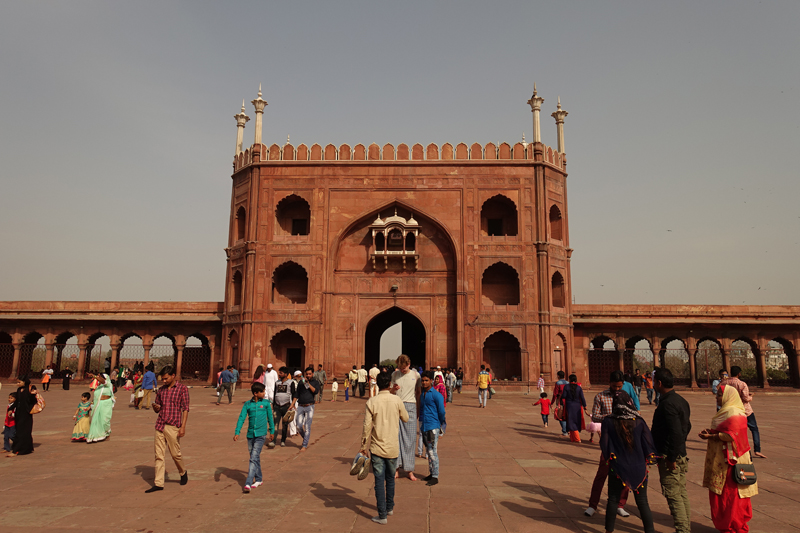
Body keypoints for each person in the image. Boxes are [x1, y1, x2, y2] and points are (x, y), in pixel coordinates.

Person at [699, 383, 758, 533]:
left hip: (732, 461)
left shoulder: (733, 411)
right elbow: (724, 429)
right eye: (717, 394)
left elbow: (733, 434)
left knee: (731, 495)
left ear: (728, 397)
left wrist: (712, 435)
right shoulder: (726, 411)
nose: (717, 397)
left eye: (719, 395)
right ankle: (727, 524)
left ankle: (734, 525)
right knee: (723, 494)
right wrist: (711, 431)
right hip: (722, 458)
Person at [600, 391, 658, 533]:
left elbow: (605, 445)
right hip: (638, 467)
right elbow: (648, 444)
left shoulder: (608, 421)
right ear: (629, 402)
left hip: (618, 468)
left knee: (613, 499)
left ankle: (609, 530)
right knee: (642, 502)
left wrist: (611, 458)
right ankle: (649, 530)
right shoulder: (639, 421)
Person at [360, 371, 409, 524]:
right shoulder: (397, 400)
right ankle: (389, 508)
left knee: (379, 481)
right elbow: (406, 418)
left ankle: (382, 515)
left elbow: (367, 426)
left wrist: (363, 446)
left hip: (376, 447)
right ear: (389, 384)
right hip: (392, 447)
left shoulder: (372, 402)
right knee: (391, 479)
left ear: (376, 384)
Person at [650, 367, 692, 533]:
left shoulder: (667, 404)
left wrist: (671, 456)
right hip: (679, 452)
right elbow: (686, 427)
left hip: (671, 457)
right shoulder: (681, 400)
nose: (653, 385)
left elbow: (675, 431)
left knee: (674, 496)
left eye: (654, 382)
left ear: (659, 383)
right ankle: (685, 528)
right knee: (681, 493)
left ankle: (683, 530)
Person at [585, 370, 630, 518]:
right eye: (614, 386)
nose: (617, 389)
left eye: (619, 386)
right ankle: (592, 505)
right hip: (608, 440)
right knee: (602, 473)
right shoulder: (601, 396)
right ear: (609, 383)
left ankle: (620, 504)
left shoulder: (625, 396)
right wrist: (611, 416)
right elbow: (595, 417)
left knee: (624, 474)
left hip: (623, 439)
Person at [145, 365, 189, 493]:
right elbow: (158, 406)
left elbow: (185, 408)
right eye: (162, 379)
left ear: (173, 376)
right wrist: (156, 408)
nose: (163, 381)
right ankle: (159, 483)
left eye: (165, 379)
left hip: (173, 426)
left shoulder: (182, 389)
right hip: (160, 425)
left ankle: (182, 471)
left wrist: (183, 426)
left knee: (176, 454)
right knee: (159, 455)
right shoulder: (161, 390)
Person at [234, 382, 275, 492]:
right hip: (250, 434)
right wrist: (237, 432)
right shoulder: (248, 404)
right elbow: (241, 418)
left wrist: (272, 431)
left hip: (261, 434)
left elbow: (270, 418)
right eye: (262, 391)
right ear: (255, 393)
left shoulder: (266, 404)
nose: (264, 393)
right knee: (255, 457)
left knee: (253, 458)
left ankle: (248, 482)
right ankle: (259, 478)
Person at [391, 354, 421, 481]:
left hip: (410, 406)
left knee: (410, 439)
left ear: (409, 365)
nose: (402, 370)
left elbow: (418, 393)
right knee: (395, 438)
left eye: (403, 368)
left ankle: (409, 470)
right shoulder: (395, 375)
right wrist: (393, 389)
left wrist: (418, 409)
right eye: (400, 368)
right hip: (397, 405)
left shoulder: (415, 375)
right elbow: (390, 392)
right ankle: (396, 468)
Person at [726, 366, 766, 459]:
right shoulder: (741, 384)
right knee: (754, 429)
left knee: (736, 431)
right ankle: (757, 450)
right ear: (739, 374)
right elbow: (746, 398)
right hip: (745, 410)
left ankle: (738, 449)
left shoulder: (725, 383)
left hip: (731, 410)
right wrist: (751, 396)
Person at [419, 371, 446, 487]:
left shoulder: (436, 395)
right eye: (423, 380)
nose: (424, 382)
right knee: (428, 452)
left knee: (432, 452)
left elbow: (442, 412)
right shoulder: (423, 394)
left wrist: (441, 426)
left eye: (426, 380)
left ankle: (435, 476)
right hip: (425, 425)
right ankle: (431, 473)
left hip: (433, 426)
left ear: (431, 380)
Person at [270, 366, 296, 448]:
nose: (279, 374)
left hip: (286, 406)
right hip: (277, 406)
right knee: (275, 424)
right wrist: (273, 405)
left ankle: (283, 440)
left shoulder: (290, 383)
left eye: (281, 373)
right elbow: (275, 394)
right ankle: (273, 441)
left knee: (285, 425)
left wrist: (292, 405)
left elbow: (294, 394)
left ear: (285, 374)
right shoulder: (277, 382)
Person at [8, 376, 35, 457]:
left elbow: (33, 401)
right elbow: (17, 402)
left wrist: (33, 395)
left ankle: (20, 450)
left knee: (24, 431)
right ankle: (23, 448)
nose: (18, 384)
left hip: (26, 414)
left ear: (24, 382)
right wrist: (11, 408)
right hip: (19, 413)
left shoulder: (30, 389)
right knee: (19, 430)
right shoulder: (19, 390)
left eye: (19, 382)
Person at [295, 367, 320, 451]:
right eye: (307, 374)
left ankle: (304, 444)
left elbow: (315, 391)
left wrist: (308, 384)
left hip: (310, 406)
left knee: (307, 426)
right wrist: (292, 404)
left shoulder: (315, 382)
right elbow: (297, 393)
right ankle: (305, 437)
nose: (308, 375)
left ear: (312, 374)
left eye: (310, 374)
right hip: (301, 405)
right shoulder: (301, 383)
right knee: (298, 426)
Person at [86, 372, 115, 443]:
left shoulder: (108, 384)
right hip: (98, 404)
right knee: (96, 421)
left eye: (101, 377)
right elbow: (95, 397)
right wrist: (91, 404)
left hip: (106, 404)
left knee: (105, 420)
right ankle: (96, 436)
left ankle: (107, 433)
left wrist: (94, 376)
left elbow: (103, 381)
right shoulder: (98, 387)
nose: (99, 379)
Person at [561, 374, 587, 442]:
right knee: (576, 420)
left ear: (569, 379)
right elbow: (582, 398)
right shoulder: (579, 388)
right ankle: (573, 438)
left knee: (570, 421)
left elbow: (564, 396)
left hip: (569, 405)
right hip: (577, 406)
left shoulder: (566, 387)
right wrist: (585, 406)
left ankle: (577, 438)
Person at [552, 370, 569, 436]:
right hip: (568, 400)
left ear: (558, 376)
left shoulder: (558, 383)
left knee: (561, 415)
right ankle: (568, 429)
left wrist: (552, 402)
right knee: (567, 415)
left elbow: (555, 394)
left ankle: (565, 431)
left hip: (561, 401)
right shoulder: (568, 383)